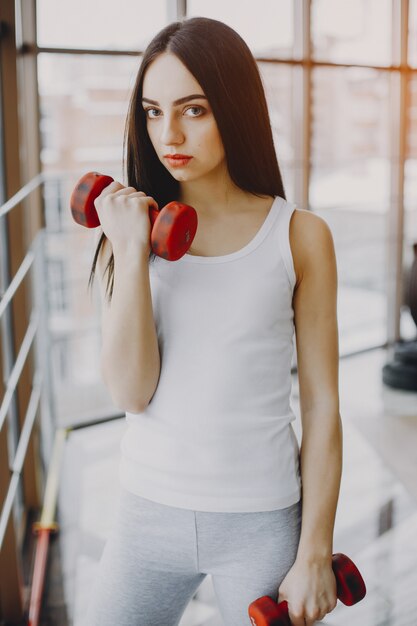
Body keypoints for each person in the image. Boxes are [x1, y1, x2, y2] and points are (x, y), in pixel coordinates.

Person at [85, 16, 342, 626]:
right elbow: (130, 391)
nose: (168, 133)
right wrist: (129, 251)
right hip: (146, 511)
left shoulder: (299, 236)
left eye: (193, 109)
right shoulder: (127, 231)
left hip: (261, 520)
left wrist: (313, 553)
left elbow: (323, 406)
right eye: (151, 111)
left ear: (235, 108)